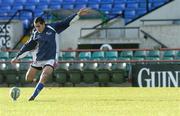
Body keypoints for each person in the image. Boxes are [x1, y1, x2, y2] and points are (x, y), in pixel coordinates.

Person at [11, 8, 90, 101]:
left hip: (50, 59)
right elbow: (28, 46)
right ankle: (39, 82)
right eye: (35, 26)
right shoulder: (35, 33)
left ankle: (33, 96)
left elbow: (66, 22)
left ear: (43, 24)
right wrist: (17, 57)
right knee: (28, 78)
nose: (37, 28)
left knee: (44, 75)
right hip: (38, 59)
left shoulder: (53, 27)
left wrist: (77, 14)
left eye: (38, 26)